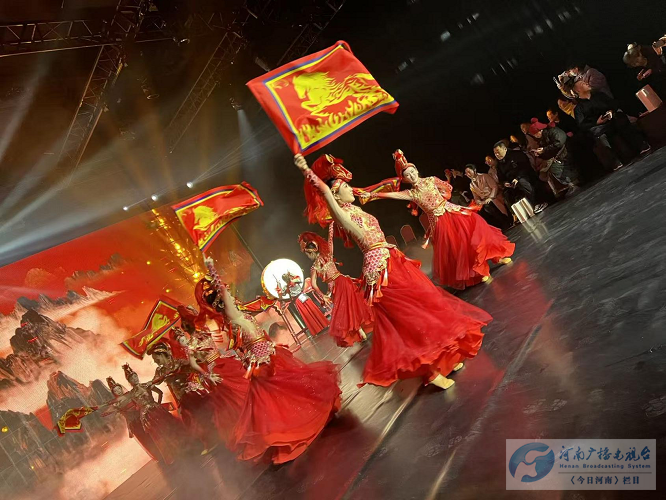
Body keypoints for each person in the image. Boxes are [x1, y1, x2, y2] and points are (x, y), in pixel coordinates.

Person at [296, 153, 492, 390]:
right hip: (380, 270)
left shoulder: (354, 208)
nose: (349, 188)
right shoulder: (342, 215)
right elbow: (326, 196)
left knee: (424, 304)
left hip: (391, 260)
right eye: (344, 187)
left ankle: (443, 357)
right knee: (409, 317)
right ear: (335, 196)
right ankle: (430, 372)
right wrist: (308, 172)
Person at [212, 283, 341, 464]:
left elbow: (256, 334)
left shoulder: (241, 316)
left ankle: (293, 424)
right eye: (229, 300)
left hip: (269, 355)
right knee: (272, 395)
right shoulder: (235, 319)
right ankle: (285, 432)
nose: (234, 300)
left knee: (286, 387)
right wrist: (217, 281)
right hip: (262, 361)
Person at [363, 150, 515, 288]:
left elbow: (448, 188)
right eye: (408, 175)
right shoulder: (411, 193)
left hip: (451, 211)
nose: (411, 175)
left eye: (412, 172)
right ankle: (479, 271)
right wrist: (373, 195)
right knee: (458, 247)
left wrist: (446, 195)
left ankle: (497, 257)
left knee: (476, 230)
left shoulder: (431, 180)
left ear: (417, 170)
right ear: (405, 179)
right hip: (439, 222)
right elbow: (392, 195)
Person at [298, 230, 372, 347]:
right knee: (350, 308)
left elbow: (314, 284)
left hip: (338, 285)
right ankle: (360, 332)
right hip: (340, 284)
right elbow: (330, 241)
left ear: (310, 252)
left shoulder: (317, 264)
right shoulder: (325, 257)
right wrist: (331, 227)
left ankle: (361, 332)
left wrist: (322, 295)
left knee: (348, 309)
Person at [101, 371, 190, 465]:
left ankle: (184, 444)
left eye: (119, 389)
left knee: (168, 426)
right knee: (156, 435)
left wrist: (157, 404)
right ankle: (168, 454)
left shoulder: (140, 389)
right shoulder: (126, 397)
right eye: (116, 391)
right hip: (143, 418)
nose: (118, 391)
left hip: (151, 412)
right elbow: (119, 408)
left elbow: (158, 392)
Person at [148, 340, 221, 455]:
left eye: (156, 358)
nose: (155, 361)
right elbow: (154, 382)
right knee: (193, 420)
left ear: (162, 354)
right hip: (181, 398)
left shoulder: (178, 363)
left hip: (191, 393)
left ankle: (216, 438)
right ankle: (209, 442)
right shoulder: (160, 371)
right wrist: (147, 385)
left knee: (203, 416)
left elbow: (194, 368)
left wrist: (206, 374)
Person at [573, 80, 650, 169]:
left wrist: (611, 111)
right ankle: (615, 161)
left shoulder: (599, 95)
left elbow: (614, 104)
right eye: (583, 84)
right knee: (602, 134)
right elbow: (582, 125)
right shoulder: (579, 108)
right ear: (578, 90)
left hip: (612, 119)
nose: (586, 83)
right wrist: (596, 122)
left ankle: (641, 144)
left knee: (621, 119)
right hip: (599, 126)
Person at [493, 141, 547, 212]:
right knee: (506, 194)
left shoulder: (516, 154)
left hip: (525, 176)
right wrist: (505, 183)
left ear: (505, 149)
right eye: (495, 153)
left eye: (498, 151)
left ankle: (538, 203)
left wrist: (517, 178)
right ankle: (518, 213)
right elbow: (501, 178)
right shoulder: (499, 165)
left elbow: (525, 167)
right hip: (512, 183)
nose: (497, 154)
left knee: (522, 182)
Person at [529, 119, 579, 196]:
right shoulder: (543, 138)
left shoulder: (553, 131)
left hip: (567, 152)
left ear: (540, 131)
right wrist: (540, 154)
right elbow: (549, 151)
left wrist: (544, 150)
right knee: (547, 171)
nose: (535, 136)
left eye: (535, 134)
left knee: (555, 168)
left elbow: (559, 143)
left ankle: (573, 182)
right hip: (559, 155)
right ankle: (568, 185)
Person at [465, 164, 512, 230]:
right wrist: (479, 202)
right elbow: (476, 197)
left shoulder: (484, 176)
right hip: (484, 201)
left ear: (474, 170)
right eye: (466, 173)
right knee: (480, 212)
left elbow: (494, 187)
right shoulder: (471, 185)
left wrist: (490, 197)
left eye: (469, 172)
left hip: (494, 196)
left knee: (491, 206)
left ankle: (507, 221)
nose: (468, 174)